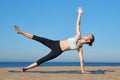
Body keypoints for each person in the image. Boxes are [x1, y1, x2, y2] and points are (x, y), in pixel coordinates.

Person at [14, 7, 95, 73]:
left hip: (58, 51)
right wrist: (80, 14)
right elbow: (78, 24)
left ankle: (25, 68)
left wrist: (83, 70)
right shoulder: (78, 35)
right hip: (55, 43)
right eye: (88, 34)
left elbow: (82, 60)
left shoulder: (80, 48)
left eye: (89, 36)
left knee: (42, 60)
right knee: (38, 38)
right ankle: (20, 32)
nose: (87, 34)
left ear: (89, 41)